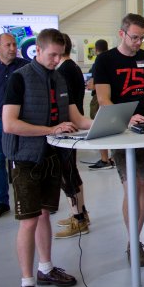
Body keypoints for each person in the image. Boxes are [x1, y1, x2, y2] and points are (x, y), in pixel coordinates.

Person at [2, 28, 92, 287]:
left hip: (52, 156)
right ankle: (26, 284)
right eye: (52, 54)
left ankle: (46, 268)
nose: (56, 60)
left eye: (60, 55)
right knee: (29, 220)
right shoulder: (19, 79)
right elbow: (9, 123)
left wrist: (115, 122)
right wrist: (50, 129)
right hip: (26, 158)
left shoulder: (60, 79)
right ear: (37, 51)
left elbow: (76, 119)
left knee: (44, 215)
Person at [93, 14, 144, 267]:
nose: (138, 42)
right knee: (130, 186)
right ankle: (133, 240)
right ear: (121, 33)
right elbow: (103, 100)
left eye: (142, 37)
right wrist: (127, 120)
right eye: (134, 37)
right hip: (120, 131)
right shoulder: (105, 60)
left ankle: (135, 239)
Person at [0, 33, 28, 220]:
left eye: (14, 44)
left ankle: (26, 200)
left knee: (22, 161)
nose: (12, 48)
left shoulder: (25, 66)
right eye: (8, 45)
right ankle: (2, 202)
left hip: (20, 123)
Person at [54, 33, 90, 238]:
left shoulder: (64, 71)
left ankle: (79, 218)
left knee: (67, 175)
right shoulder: (72, 68)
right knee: (71, 172)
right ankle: (80, 214)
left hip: (68, 128)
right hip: (71, 126)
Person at [86, 39, 113, 170]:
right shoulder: (112, 59)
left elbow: (94, 83)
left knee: (98, 127)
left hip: (99, 98)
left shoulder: (99, 61)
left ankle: (104, 159)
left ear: (96, 50)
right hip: (111, 98)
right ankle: (113, 157)